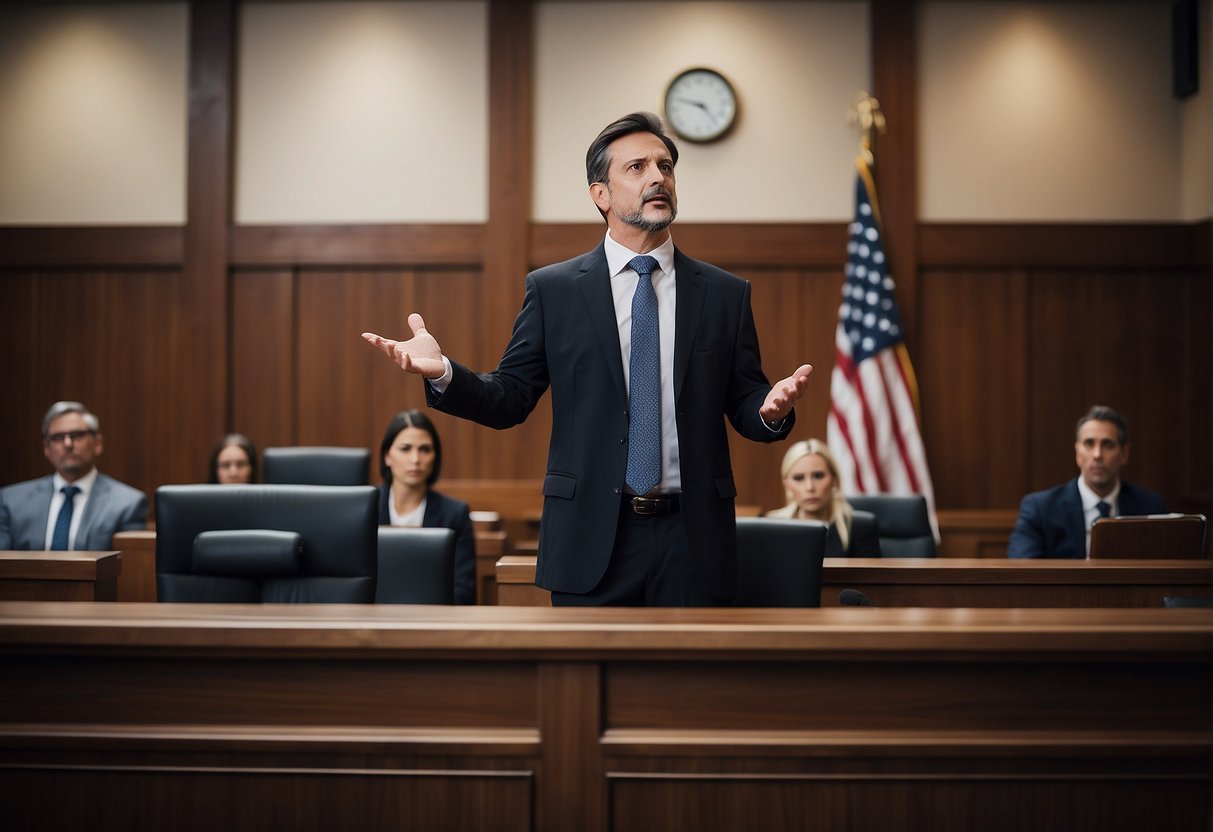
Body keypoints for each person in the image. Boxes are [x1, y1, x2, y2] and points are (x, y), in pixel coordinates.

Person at [363, 111, 812, 606]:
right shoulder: (555, 291)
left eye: (666, 166)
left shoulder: (724, 294)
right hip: (593, 539)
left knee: (687, 685)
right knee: (585, 684)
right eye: (637, 167)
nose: (658, 177)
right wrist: (444, 373)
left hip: (695, 541)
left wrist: (771, 411)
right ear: (601, 194)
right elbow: (509, 398)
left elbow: (747, 401)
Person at [1008, 405, 1166, 558]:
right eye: (1089, 444)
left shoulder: (1150, 507)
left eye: (1108, 445)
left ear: (1124, 453)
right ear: (1078, 452)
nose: (1097, 454)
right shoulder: (1040, 509)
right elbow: (1023, 570)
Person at [0, 401, 147, 550]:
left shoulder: (127, 503)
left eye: (77, 435)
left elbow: (132, 568)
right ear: (46, 448)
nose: (68, 443)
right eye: (58, 437)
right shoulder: (11, 501)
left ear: (97, 443)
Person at [377, 409, 476, 605]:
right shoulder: (363, 509)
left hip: (434, 621)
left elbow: (463, 590)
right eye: (405, 449)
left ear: (435, 457)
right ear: (387, 456)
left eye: (425, 449)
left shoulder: (455, 514)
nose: (415, 459)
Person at [765, 439, 881, 557]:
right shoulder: (771, 526)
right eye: (799, 478)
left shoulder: (861, 527)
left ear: (834, 480)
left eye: (818, 476)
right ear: (787, 485)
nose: (809, 487)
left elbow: (871, 575)